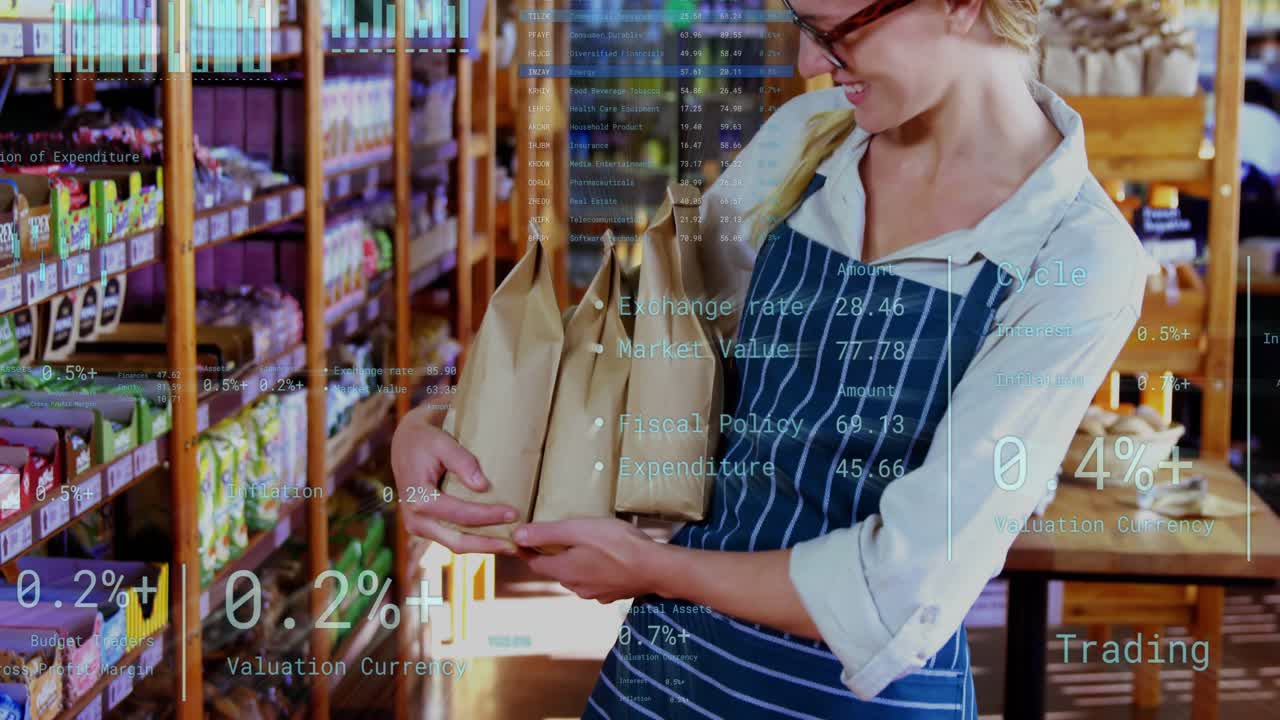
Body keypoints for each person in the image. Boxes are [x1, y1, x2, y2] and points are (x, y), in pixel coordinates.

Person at [390, 0, 1158, 716]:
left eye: (835, 29)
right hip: (661, 675)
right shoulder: (809, 137)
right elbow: (636, 352)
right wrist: (443, 421)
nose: (807, 61)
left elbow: (906, 590)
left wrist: (655, 569)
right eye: (800, 24)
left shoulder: (1077, 256)